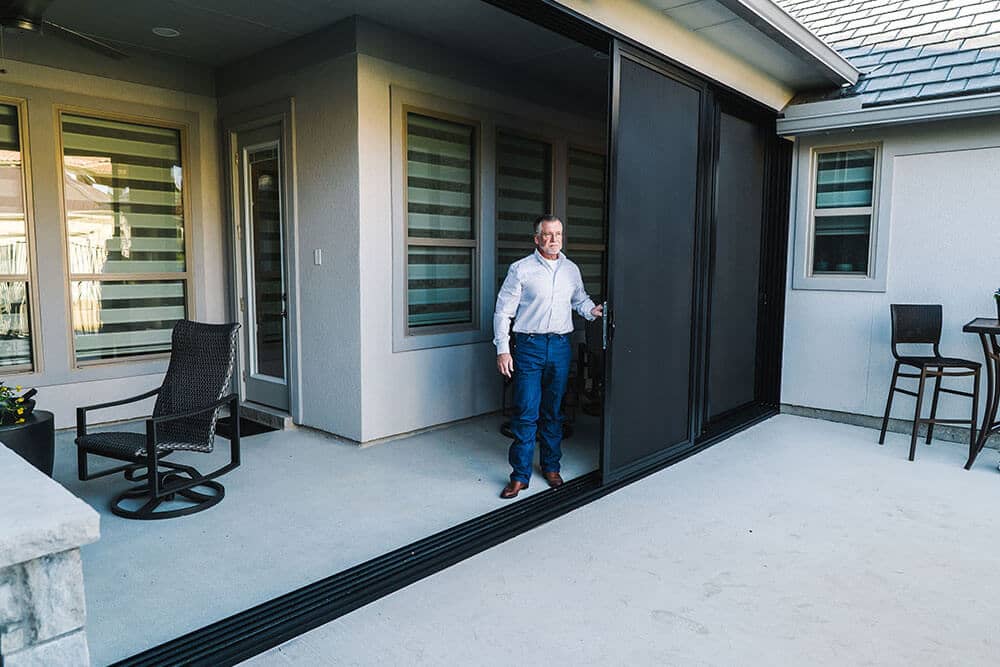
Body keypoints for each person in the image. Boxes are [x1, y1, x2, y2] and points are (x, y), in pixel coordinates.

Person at [493, 214, 603, 499]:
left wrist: (591, 310)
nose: (554, 240)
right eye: (548, 234)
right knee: (526, 411)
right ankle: (519, 476)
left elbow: (579, 299)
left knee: (554, 411)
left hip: (559, 347)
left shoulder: (571, 270)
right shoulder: (521, 270)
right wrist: (503, 349)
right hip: (528, 346)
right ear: (536, 238)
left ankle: (551, 467)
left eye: (558, 234)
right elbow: (503, 311)